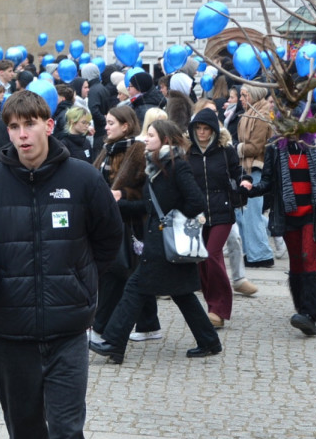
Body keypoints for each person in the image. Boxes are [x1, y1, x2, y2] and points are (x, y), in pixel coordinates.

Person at [0, 90, 123, 439]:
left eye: (29, 124)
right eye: (13, 127)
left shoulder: (83, 177)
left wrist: (81, 281)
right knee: (25, 433)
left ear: (48, 125)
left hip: (67, 331)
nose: (22, 134)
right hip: (11, 332)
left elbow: (109, 239)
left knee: (66, 431)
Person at [89, 120, 222, 364]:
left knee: (135, 288)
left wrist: (173, 214)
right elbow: (150, 207)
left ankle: (114, 343)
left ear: (166, 139)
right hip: (159, 241)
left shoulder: (176, 166)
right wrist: (120, 204)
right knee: (182, 294)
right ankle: (209, 341)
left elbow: (196, 202)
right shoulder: (157, 166)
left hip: (165, 242)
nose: (145, 139)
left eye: (151, 135)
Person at [248, 131, 316, 336]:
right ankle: (301, 308)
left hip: (312, 214)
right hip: (288, 213)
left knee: (308, 257)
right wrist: (249, 188)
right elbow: (267, 182)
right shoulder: (275, 148)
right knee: (296, 262)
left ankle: (311, 314)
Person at [187, 108, 252, 328]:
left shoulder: (225, 150)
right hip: (197, 213)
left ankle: (220, 308)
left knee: (212, 255)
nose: (202, 133)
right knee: (201, 261)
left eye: (206, 129)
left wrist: (246, 181)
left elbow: (238, 171)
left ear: (214, 130)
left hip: (222, 210)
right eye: (199, 129)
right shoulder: (187, 152)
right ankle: (212, 305)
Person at [237, 84, 276, 267]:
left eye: (244, 95)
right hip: (247, 166)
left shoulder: (261, 115)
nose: (241, 99)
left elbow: (256, 146)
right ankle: (253, 253)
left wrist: (236, 148)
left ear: (253, 95)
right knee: (247, 214)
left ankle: (261, 254)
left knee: (253, 213)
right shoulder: (249, 113)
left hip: (257, 167)